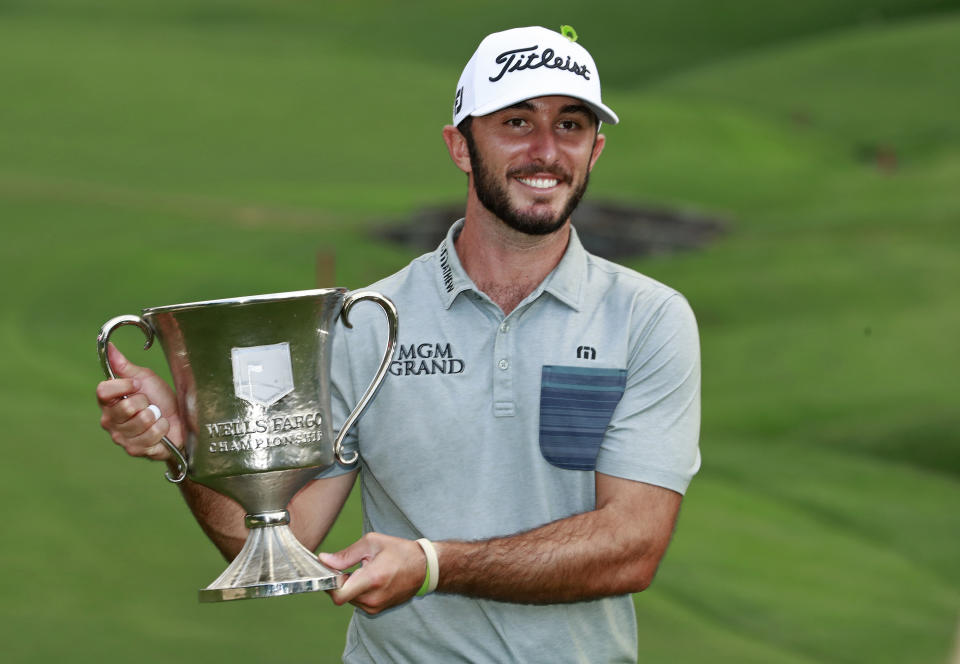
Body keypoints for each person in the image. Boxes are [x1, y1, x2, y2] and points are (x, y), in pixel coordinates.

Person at [97, 25, 701, 663]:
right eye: (517, 123)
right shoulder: (365, 320)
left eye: (571, 125)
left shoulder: (648, 318)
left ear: (596, 149)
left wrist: (433, 564)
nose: (547, 150)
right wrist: (181, 442)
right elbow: (280, 539)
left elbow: (632, 546)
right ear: (460, 146)